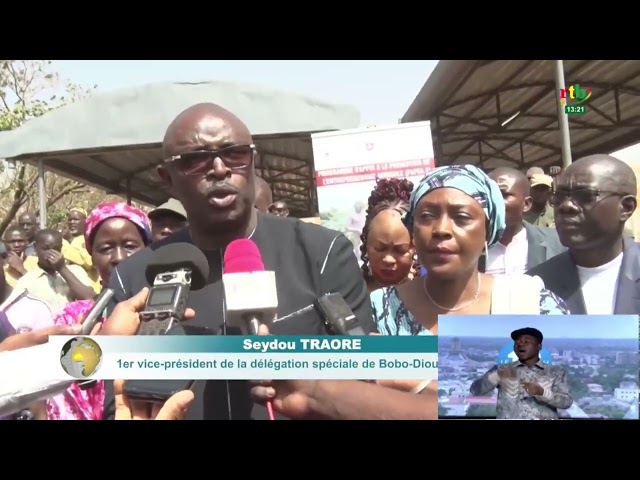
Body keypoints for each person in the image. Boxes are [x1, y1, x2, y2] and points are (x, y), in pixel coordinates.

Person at [101, 102, 376, 420]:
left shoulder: (323, 252)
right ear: (168, 178)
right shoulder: (133, 278)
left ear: (252, 161)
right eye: (195, 159)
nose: (219, 168)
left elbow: (366, 380)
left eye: (235, 154)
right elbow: (116, 403)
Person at [46, 202, 153, 420]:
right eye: (106, 249)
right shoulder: (72, 319)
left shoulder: (166, 313)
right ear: (91, 255)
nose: (119, 258)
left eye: (130, 246)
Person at [527, 154, 640, 314]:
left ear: (626, 208)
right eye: (559, 197)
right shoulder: (535, 285)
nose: (565, 206)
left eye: (585, 196)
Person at [470, 327, 573, 419]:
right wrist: (495, 376)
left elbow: (566, 402)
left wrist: (542, 392)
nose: (520, 344)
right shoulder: (501, 369)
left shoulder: (556, 372)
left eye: (526, 341)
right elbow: (475, 391)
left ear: (539, 346)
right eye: (517, 342)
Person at [483, 167, 565, 275]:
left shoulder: (557, 242)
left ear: (526, 204)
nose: (493, 201)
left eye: (503, 195)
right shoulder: (470, 248)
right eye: (487, 195)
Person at [0, 229, 95, 315]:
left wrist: (62, 269)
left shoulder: (76, 271)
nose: (51, 254)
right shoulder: (28, 279)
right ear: (35, 247)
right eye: (46, 249)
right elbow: (7, 310)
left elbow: (91, 299)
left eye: (56, 249)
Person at [360, 177, 419, 292]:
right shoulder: (348, 292)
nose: (388, 259)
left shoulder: (431, 294)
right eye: (380, 248)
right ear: (366, 243)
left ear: (415, 247)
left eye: (400, 250)